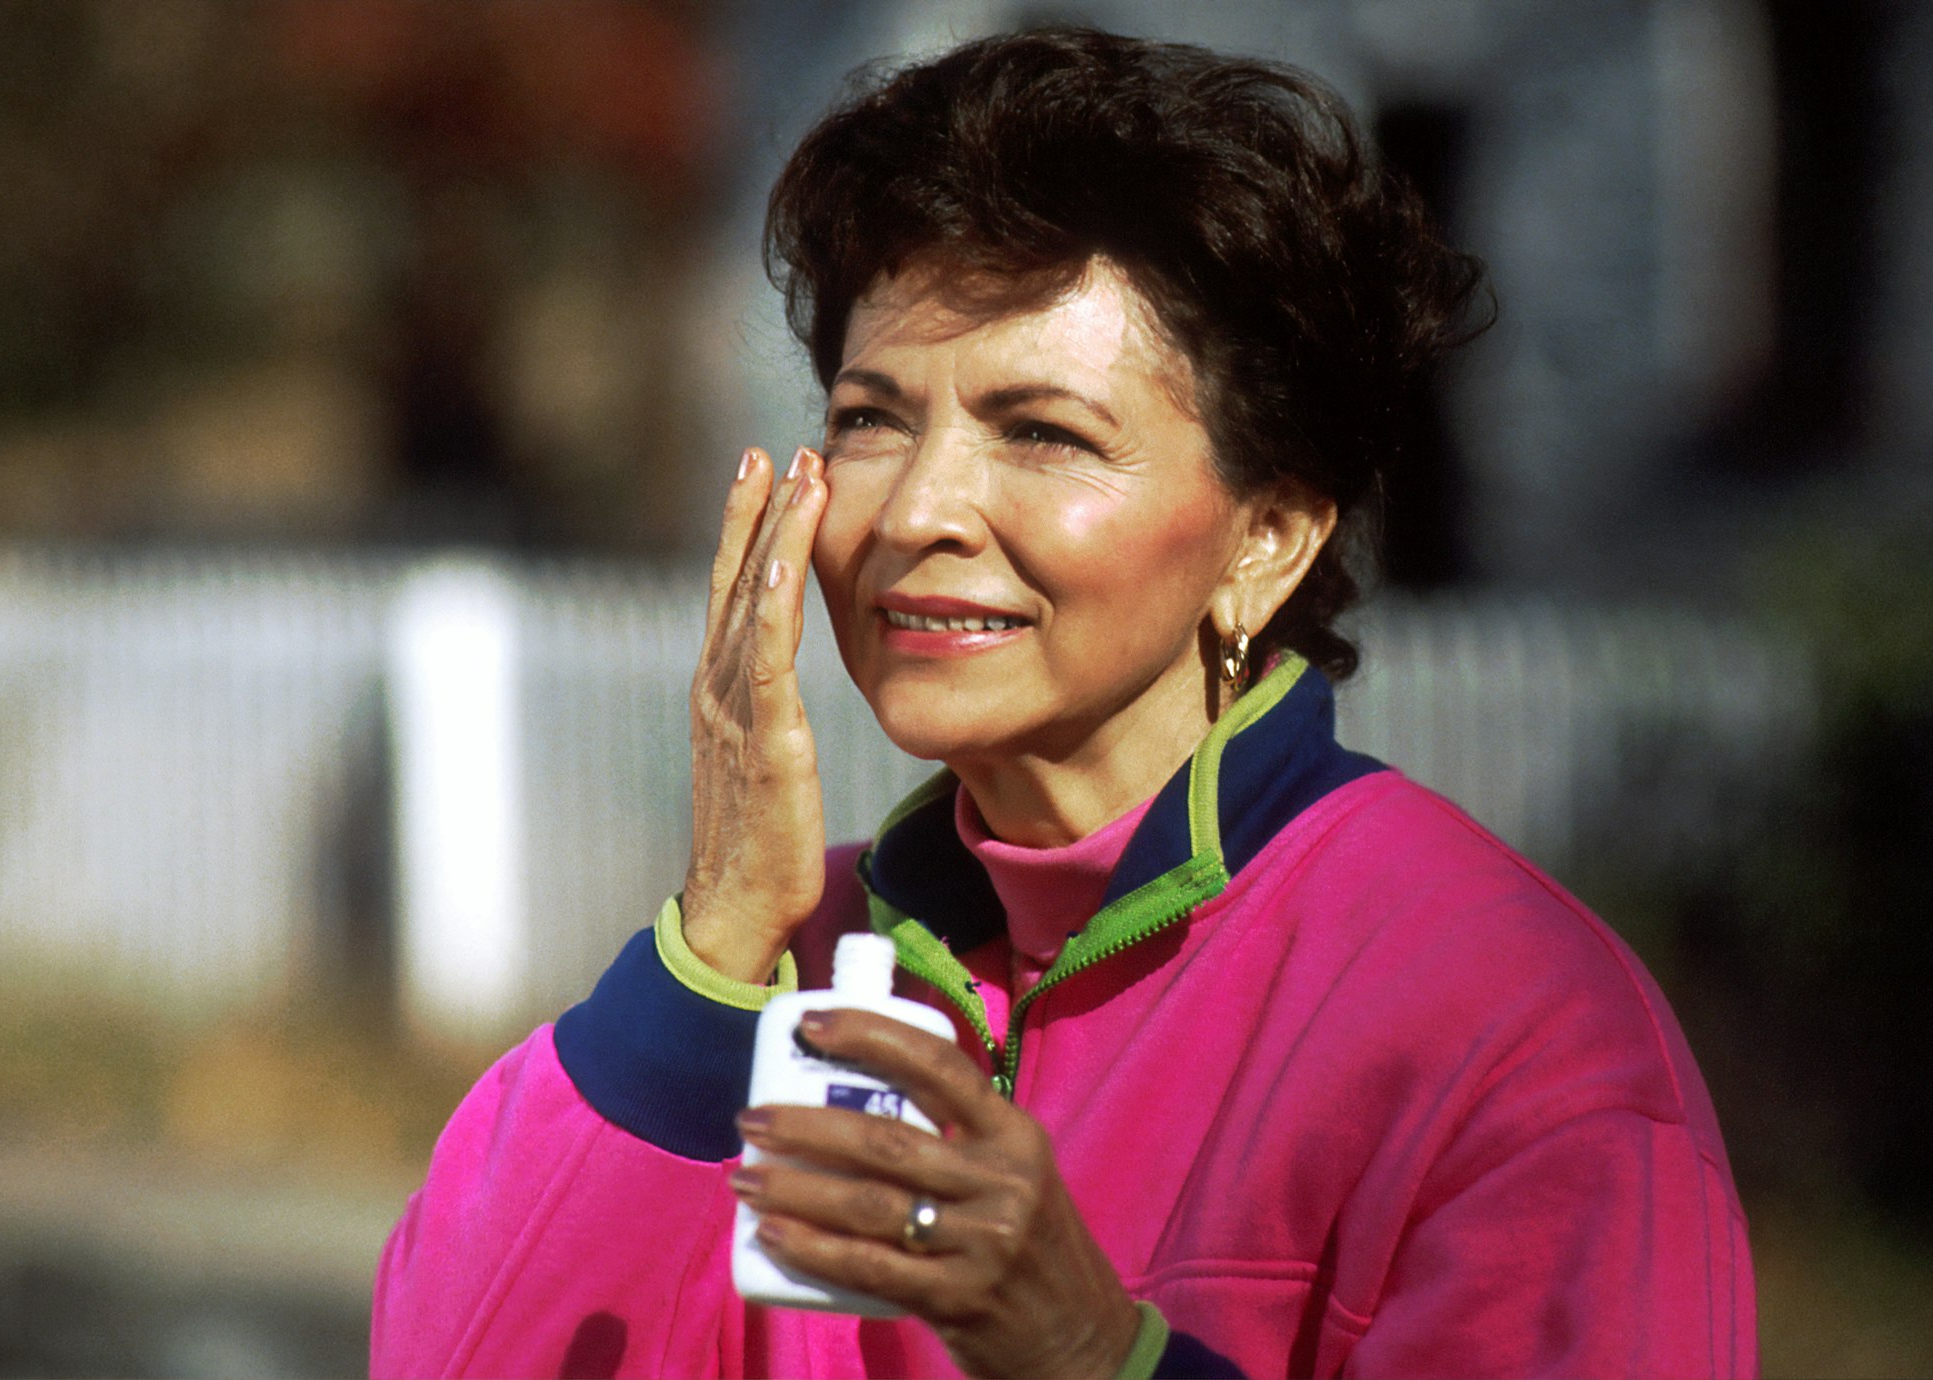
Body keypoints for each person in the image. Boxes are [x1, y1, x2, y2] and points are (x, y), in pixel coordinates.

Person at [371, 27, 1755, 1380]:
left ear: (1267, 536)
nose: (918, 510)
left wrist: (1096, 1356)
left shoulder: (1500, 1024)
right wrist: (718, 938)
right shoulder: (772, 972)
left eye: (1042, 433)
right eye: (868, 417)